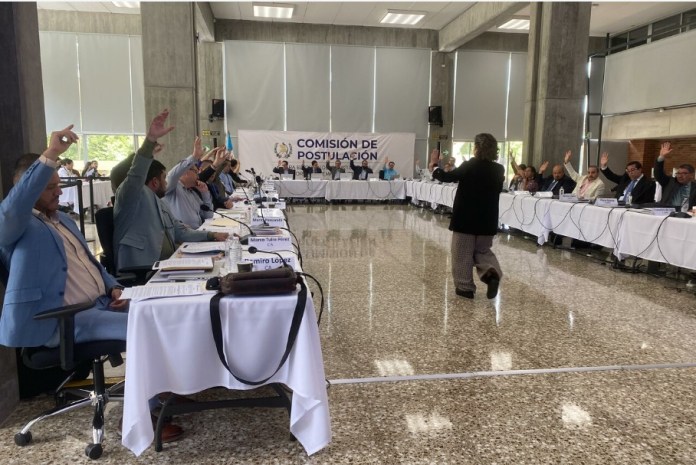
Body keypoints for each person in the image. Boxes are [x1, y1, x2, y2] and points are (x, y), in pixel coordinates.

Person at [0, 126, 128, 348]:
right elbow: (13, 208)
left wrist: (113, 287)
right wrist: (51, 154)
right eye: (50, 187)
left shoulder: (64, 220)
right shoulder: (16, 225)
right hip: (64, 320)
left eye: (58, 185)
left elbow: (90, 263)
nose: (59, 192)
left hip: (102, 304)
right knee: (145, 326)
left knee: (157, 313)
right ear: (27, 188)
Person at [114, 109, 228, 272]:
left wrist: (211, 235)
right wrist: (150, 141)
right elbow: (136, 175)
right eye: (163, 178)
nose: (166, 182)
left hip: (168, 262)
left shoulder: (158, 202)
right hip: (143, 270)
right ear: (154, 181)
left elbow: (178, 231)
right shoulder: (131, 196)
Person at [429, 133, 504, 300]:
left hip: (465, 219)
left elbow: (447, 177)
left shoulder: (470, 165)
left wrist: (434, 165)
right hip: (487, 220)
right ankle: (491, 276)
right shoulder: (499, 169)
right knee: (482, 251)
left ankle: (465, 288)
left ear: (477, 148)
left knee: (461, 253)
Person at [163, 136, 214, 229]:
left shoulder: (192, 192)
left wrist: (205, 194)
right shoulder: (173, 188)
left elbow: (208, 216)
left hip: (197, 233)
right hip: (182, 239)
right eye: (195, 171)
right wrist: (193, 157)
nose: (198, 174)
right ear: (185, 172)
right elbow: (171, 175)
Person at [655, 142, 696, 210]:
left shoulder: (694, 187)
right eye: (678, 173)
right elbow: (658, 174)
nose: (680, 176)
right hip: (667, 212)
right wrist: (661, 157)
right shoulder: (670, 182)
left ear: (691, 175)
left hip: (687, 215)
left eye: (684, 173)